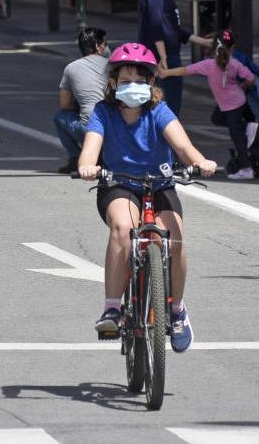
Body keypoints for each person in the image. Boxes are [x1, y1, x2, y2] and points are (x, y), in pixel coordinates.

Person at [77, 43, 216, 353]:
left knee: (175, 240)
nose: (134, 87)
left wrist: (200, 161)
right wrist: (87, 166)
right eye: (126, 80)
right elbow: (90, 148)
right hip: (118, 184)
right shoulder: (103, 112)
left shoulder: (159, 111)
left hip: (160, 183)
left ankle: (177, 311)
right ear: (113, 82)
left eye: (141, 80)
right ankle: (112, 309)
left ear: (152, 83)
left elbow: (183, 147)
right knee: (123, 230)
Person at [158, 29, 257, 180]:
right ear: (232, 48)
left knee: (237, 136)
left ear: (212, 48)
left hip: (232, 107)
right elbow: (251, 78)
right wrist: (242, 86)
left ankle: (247, 169)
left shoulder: (208, 65)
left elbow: (185, 70)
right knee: (217, 119)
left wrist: (166, 73)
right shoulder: (234, 63)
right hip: (236, 102)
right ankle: (246, 127)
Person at [133, 0, 213, 115]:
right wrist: (163, 56)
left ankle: (158, 139)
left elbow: (174, 29)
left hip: (161, 56)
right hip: (163, 58)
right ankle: (162, 139)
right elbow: (156, 24)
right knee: (167, 109)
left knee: (160, 108)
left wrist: (203, 42)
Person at [53, 27, 110, 174]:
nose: (106, 47)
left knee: (60, 117)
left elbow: (65, 104)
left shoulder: (71, 68)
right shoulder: (113, 66)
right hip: (116, 128)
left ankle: (75, 158)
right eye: (104, 43)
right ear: (98, 46)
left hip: (89, 130)